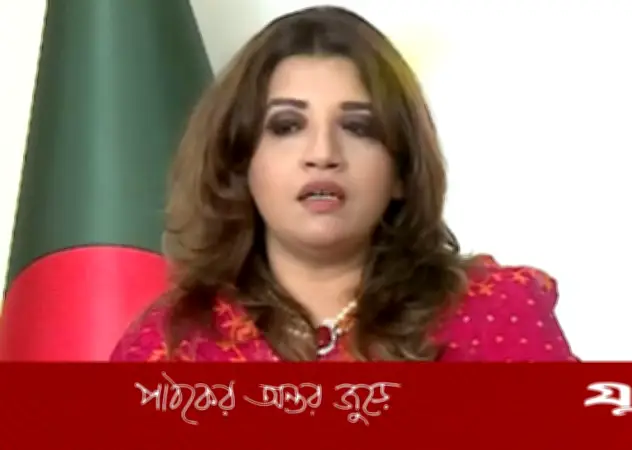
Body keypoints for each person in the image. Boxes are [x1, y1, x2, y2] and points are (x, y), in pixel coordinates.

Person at [110, 5, 578, 362]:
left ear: (400, 171)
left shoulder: (497, 314)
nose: (323, 154)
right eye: (287, 126)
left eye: (358, 127)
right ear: (240, 162)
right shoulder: (168, 348)